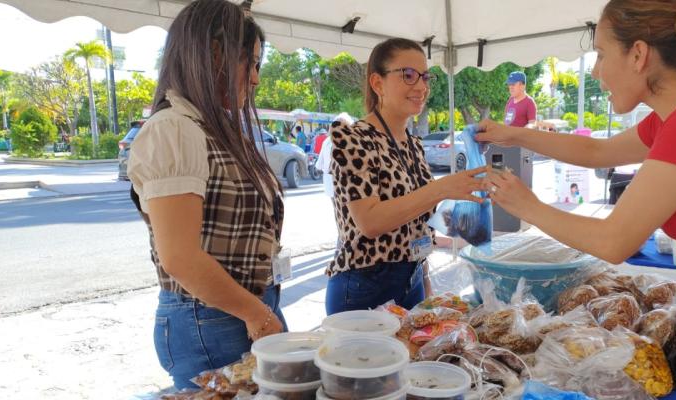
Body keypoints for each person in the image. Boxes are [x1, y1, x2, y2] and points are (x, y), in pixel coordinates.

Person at [478, 1, 676, 398]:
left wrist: (526, 206)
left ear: (638, 55)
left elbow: (614, 241)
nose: (596, 71)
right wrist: (512, 134)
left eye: (601, 54)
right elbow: (598, 152)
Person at [126, 0, 286, 389]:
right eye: (251, 63)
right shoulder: (173, 129)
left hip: (241, 310)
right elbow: (180, 257)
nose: (255, 79)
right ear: (214, 53)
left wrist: (260, 311)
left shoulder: (211, 126)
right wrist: (257, 314)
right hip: (211, 318)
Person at [325, 38, 486, 315]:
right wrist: (441, 189)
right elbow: (370, 222)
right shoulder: (352, 138)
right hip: (364, 285)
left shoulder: (413, 144)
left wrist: (426, 287)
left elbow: (417, 223)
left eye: (425, 77)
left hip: (412, 279)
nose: (422, 86)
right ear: (378, 83)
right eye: (409, 75)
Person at [317, 113, 354, 200]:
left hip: (331, 182)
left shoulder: (327, 141)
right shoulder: (352, 140)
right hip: (346, 184)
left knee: (336, 205)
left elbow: (319, 164)